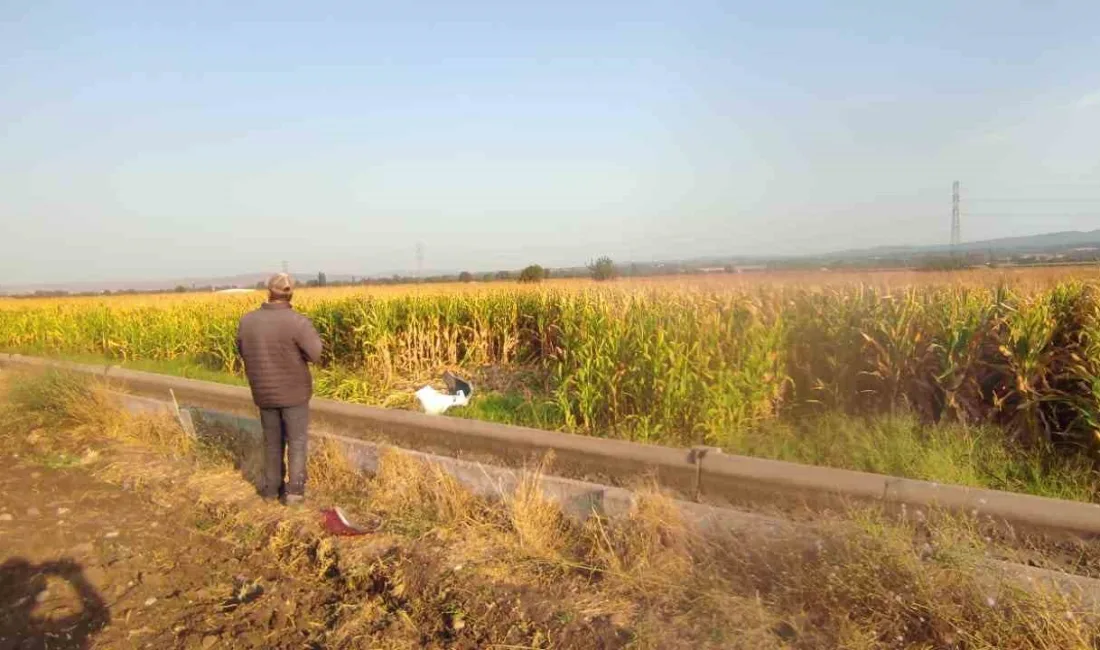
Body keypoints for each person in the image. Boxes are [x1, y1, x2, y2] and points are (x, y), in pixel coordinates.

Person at [236, 273, 323, 506]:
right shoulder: (297, 321)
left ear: (269, 291)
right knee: (296, 441)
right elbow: (316, 353)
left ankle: (271, 490)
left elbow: (242, 350)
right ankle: (294, 492)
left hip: (263, 392)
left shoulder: (247, 321)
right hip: (294, 392)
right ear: (290, 293)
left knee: (272, 441)